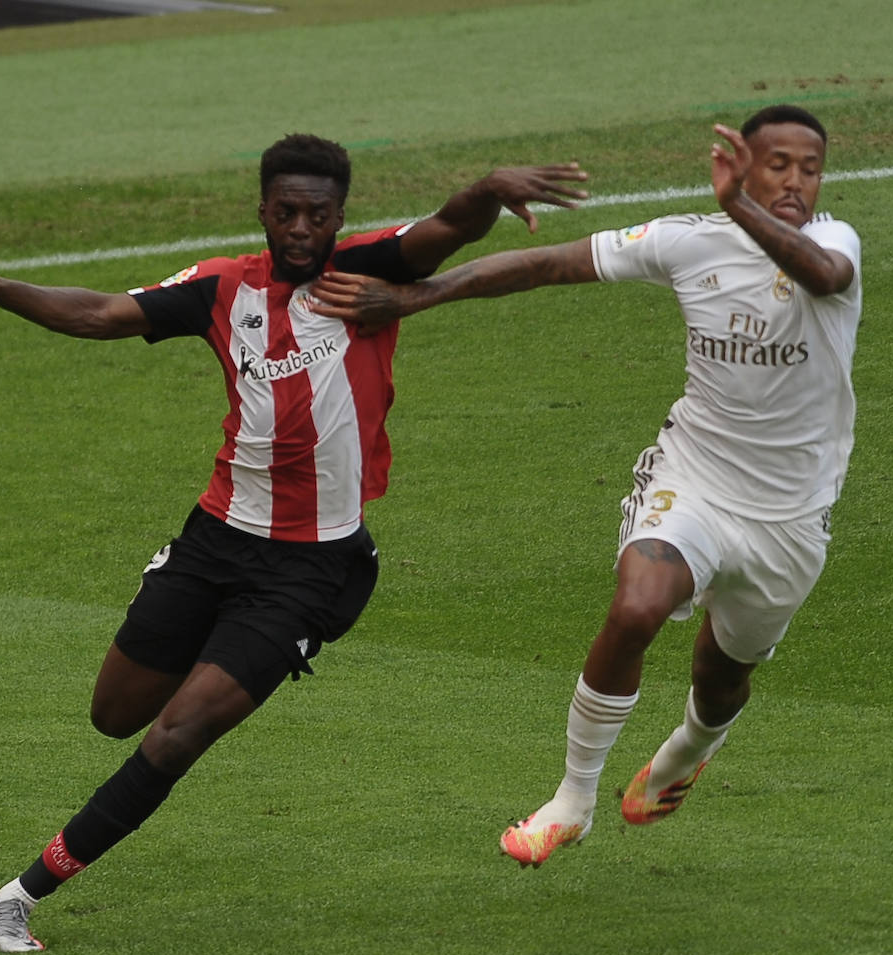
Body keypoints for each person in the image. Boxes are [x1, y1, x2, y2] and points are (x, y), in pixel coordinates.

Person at [0, 134, 589, 949]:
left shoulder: (375, 270)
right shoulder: (220, 288)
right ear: (263, 210)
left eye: (319, 214)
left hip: (309, 571)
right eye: (286, 212)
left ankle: (19, 895)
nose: (302, 228)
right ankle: (191, 622)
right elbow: (98, 314)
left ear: (342, 215)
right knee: (115, 715)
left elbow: (451, 228)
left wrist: (487, 187)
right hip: (213, 543)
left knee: (177, 734)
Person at [310, 105, 862, 867]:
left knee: (721, 675)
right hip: (695, 477)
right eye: (778, 166)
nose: (796, 181)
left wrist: (739, 205)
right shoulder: (684, 241)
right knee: (636, 606)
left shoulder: (836, 244)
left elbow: (823, 276)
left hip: (791, 517)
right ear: (741, 163)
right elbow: (544, 265)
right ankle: (572, 800)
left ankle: (695, 744)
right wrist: (414, 299)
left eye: (809, 168)